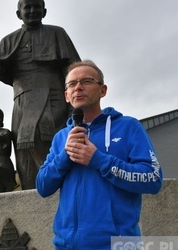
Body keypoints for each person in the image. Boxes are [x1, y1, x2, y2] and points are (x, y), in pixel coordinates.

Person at [36, 60, 163, 249]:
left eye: (86, 81)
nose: (78, 87)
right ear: (66, 95)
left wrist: (99, 160)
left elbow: (152, 179)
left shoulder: (129, 127)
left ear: (102, 90)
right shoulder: (61, 137)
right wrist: (65, 155)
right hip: (65, 245)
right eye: (72, 84)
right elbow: (42, 186)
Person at [0, 0, 81, 189]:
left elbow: (73, 71)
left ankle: (59, 190)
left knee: (52, 142)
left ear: (44, 11)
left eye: (36, 6)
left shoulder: (57, 33)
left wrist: (73, 106)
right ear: (18, 13)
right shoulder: (10, 40)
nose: (32, 10)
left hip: (53, 98)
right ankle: (31, 193)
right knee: (24, 149)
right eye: (27, 7)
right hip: (22, 103)